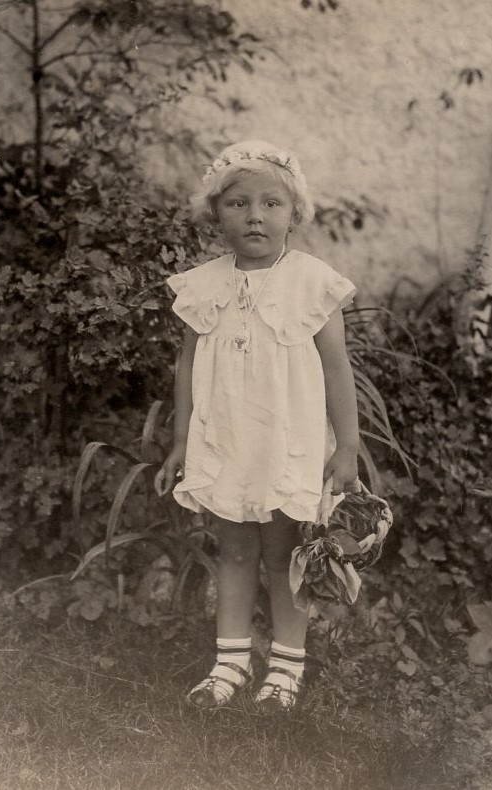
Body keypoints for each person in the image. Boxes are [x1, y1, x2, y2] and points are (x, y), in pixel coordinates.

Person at [154, 139, 360, 713]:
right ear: (215, 213)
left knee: (284, 552)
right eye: (238, 203)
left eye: (271, 204)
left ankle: (287, 666)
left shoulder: (313, 283)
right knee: (235, 550)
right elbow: (188, 365)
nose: (254, 216)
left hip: (287, 441)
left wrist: (347, 444)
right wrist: (180, 441)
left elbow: (337, 367)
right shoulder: (203, 285)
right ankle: (231, 662)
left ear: (294, 213)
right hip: (227, 439)